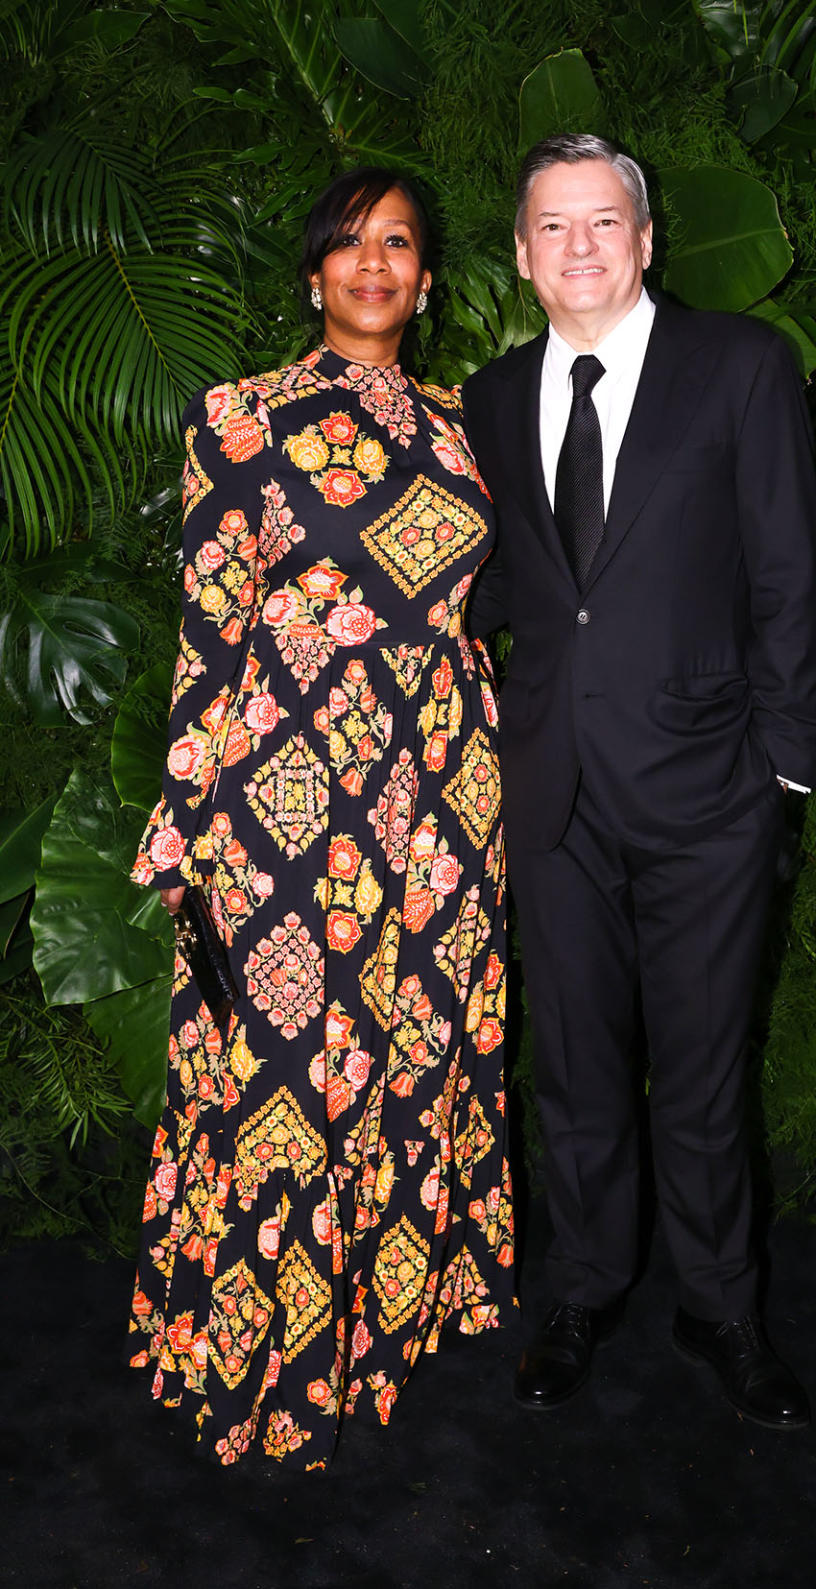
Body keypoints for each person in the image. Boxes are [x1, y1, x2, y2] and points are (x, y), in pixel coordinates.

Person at [128, 167, 514, 1471]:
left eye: (397, 242)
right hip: (286, 799)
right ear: (313, 273)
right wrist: (186, 820)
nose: (372, 261)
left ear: (425, 275)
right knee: (286, 1083)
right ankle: (265, 1366)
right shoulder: (240, 418)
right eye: (348, 242)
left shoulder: (472, 429)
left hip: (444, 799)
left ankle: (387, 1328)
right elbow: (208, 627)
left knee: (410, 1060)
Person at [462, 134, 816, 1428]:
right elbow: (513, 582)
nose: (579, 246)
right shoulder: (494, 397)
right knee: (572, 1067)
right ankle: (584, 1289)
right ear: (520, 254)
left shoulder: (740, 368)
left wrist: (784, 777)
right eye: (552, 227)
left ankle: (722, 1306)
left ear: (647, 236)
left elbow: (792, 574)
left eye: (602, 222)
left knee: (705, 1067)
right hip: (551, 791)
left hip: (710, 797)